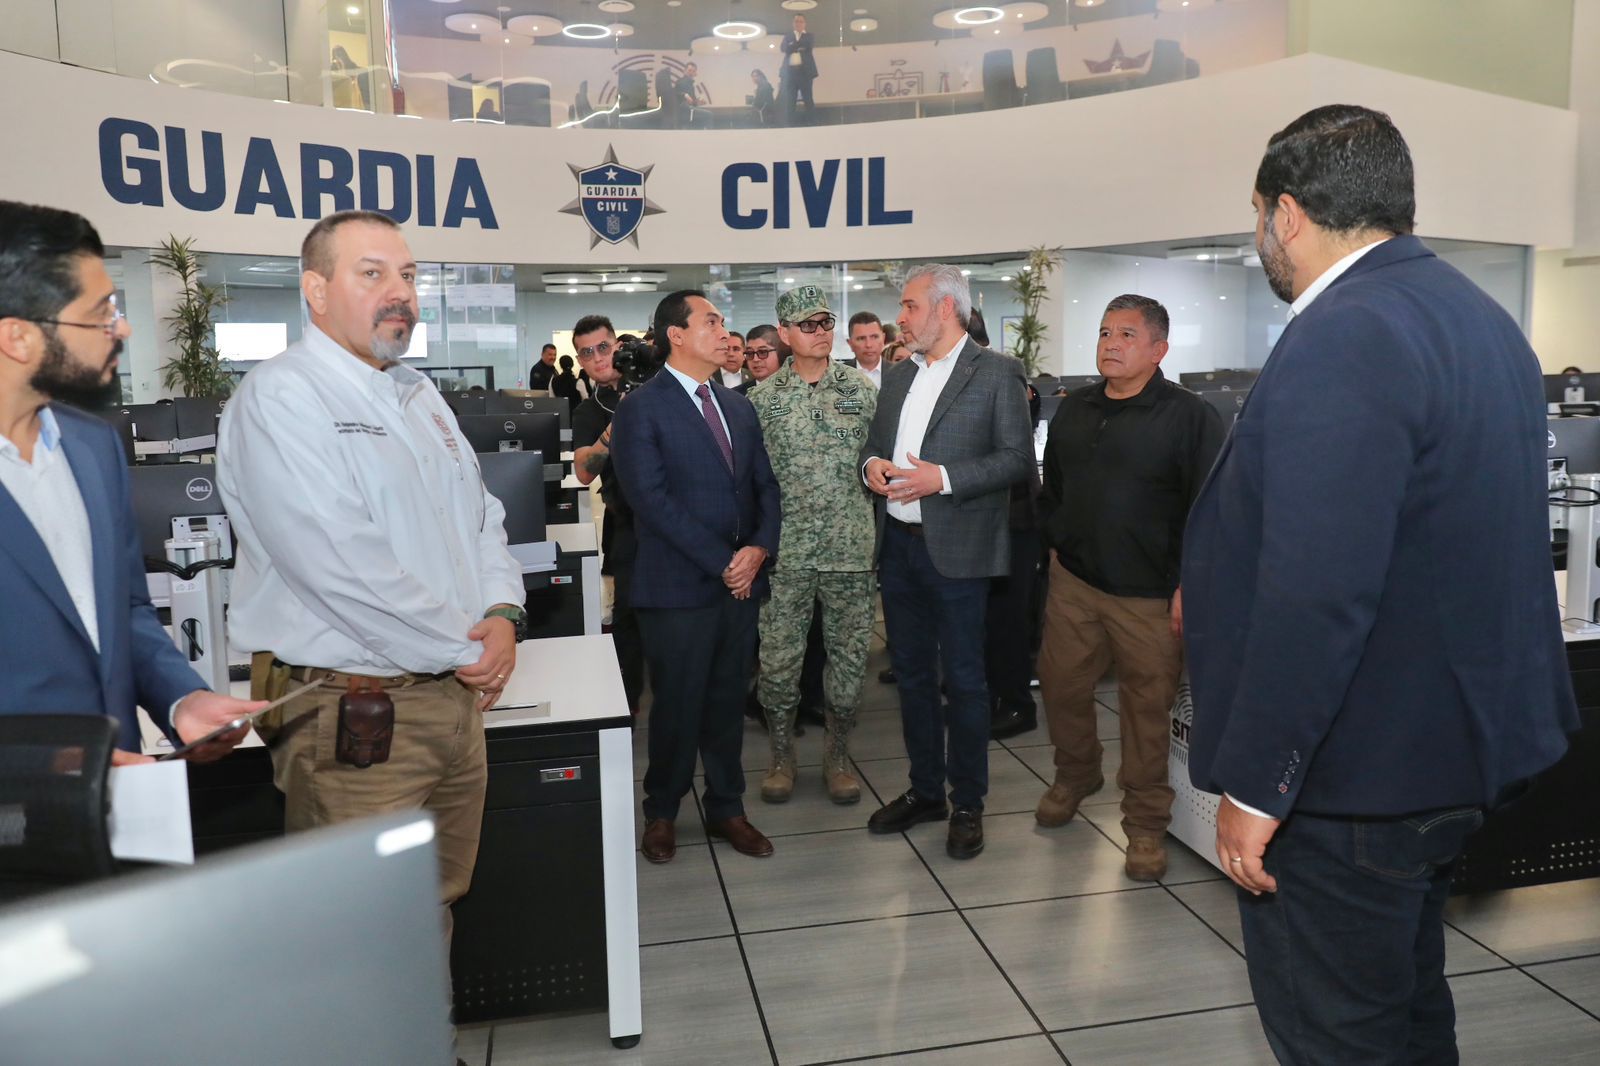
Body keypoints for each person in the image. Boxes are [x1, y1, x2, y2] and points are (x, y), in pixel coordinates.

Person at [1184, 105, 1577, 1063]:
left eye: (1258, 220)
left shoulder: (1344, 333)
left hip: (1353, 781)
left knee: (1338, 1034)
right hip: (1448, 754)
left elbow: (1317, 591)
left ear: (1286, 214)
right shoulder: (1477, 318)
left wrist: (1259, 784)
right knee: (1404, 1008)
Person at [216, 209, 527, 945]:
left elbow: (480, 517)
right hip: (356, 713)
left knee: (432, 907)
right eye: (373, 274)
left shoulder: (417, 393)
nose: (401, 293)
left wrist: (503, 610)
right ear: (315, 292)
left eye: (409, 275)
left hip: (451, 700)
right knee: (359, 931)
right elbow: (340, 566)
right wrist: (470, 649)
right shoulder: (282, 398)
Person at [0, 199, 262, 760]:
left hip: (116, 811)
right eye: (100, 314)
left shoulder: (91, 447)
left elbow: (124, 610)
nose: (123, 327)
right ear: (17, 337)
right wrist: (40, 763)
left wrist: (180, 699)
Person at [1035, 294, 1224, 881]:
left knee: (1145, 713)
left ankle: (1144, 823)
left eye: (1126, 335)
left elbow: (1211, 510)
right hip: (1075, 582)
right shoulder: (1075, 408)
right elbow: (1056, 488)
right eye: (1104, 332)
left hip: (1149, 596)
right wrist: (1056, 542)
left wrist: (1190, 586)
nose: (1111, 344)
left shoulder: (1190, 417)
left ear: (1159, 349)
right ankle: (1076, 774)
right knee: (1062, 688)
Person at [860, 264, 1033, 859]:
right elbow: (874, 448)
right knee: (910, 678)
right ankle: (925, 790)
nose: (899, 319)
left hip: (959, 552)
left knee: (963, 681)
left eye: (908, 307)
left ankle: (968, 804)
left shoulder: (997, 373)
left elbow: (1016, 460)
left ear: (943, 309)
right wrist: (872, 469)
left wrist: (945, 478)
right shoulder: (898, 373)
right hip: (902, 550)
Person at [610, 290, 781, 865]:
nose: (723, 331)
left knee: (727, 700)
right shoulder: (643, 406)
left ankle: (726, 807)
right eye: (710, 320)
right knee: (678, 704)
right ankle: (662, 810)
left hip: (740, 583)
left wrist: (758, 548)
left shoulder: (737, 406)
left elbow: (764, 487)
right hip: (679, 586)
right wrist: (723, 561)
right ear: (675, 334)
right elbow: (650, 501)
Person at [749, 286, 878, 805]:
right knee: (779, 664)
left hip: (851, 550)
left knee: (848, 662)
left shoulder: (864, 390)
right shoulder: (761, 401)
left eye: (826, 323)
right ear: (784, 334)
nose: (821, 332)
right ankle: (782, 755)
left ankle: (838, 755)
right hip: (787, 554)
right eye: (808, 325)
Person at [964, 310, 1047, 743]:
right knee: (988, 620)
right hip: (986, 520)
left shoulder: (1006, 379)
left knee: (1009, 619)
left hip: (1014, 521)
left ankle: (1017, 703)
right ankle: (993, 697)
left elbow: (1007, 452)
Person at [569, 314, 644, 715]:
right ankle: (625, 707)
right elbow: (583, 470)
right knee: (628, 624)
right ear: (580, 361)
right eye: (587, 353)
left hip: (676, 524)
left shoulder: (656, 385)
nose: (599, 358)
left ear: (617, 345)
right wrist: (621, 421)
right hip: (627, 526)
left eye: (604, 347)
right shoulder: (589, 410)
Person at [778, 14, 817, 126]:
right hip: (790, 74)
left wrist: (792, 46)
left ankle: (812, 124)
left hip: (805, 73)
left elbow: (808, 46)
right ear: (793, 23)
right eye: (796, 21)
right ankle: (790, 125)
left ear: (805, 23)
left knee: (808, 99)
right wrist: (798, 46)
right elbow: (783, 48)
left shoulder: (810, 36)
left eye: (800, 21)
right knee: (790, 100)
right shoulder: (788, 36)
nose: (798, 23)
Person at [844, 310, 886, 389]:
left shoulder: (899, 374)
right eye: (861, 338)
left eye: (874, 337)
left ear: (883, 339)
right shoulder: (837, 376)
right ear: (850, 344)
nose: (868, 345)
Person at [738, 323, 781, 394]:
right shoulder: (736, 395)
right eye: (750, 353)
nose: (755, 359)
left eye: (763, 352)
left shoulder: (796, 390)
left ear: (779, 353)